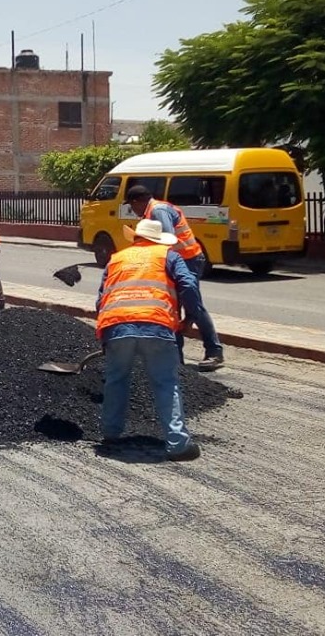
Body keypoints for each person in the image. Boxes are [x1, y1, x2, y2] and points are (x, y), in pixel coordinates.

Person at [96, 219, 203, 461]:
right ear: (158, 239)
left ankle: (111, 433)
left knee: (116, 380)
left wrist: (104, 335)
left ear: (135, 237)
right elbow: (188, 284)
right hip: (157, 325)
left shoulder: (116, 258)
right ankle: (177, 444)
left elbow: (102, 298)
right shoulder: (169, 256)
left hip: (117, 325)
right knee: (165, 383)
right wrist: (191, 317)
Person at [125, 184, 224, 371]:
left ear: (137, 202)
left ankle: (214, 352)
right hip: (178, 260)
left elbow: (167, 240)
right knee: (173, 306)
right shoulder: (152, 211)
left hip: (187, 260)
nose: (133, 211)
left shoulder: (158, 210)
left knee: (193, 304)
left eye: (132, 207)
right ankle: (176, 358)